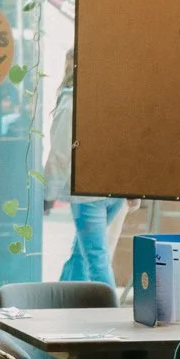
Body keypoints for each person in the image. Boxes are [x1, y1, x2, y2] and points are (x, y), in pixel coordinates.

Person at [44, 49, 123, 287]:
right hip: (115, 191)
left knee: (96, 262)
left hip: (88, 194)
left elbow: (60, 154)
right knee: (82, 253)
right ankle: (61, 302)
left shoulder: (70, 104)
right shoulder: (109, 99)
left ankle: (108, 316)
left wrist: (48, 195)